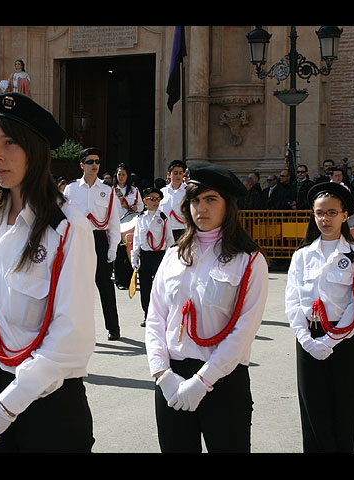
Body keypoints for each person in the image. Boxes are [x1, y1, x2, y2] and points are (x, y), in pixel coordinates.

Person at [0, 92, 96, 452]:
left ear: (35, 149)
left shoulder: (68, 227)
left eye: (10, 143)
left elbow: (70, 334)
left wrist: (5, 409)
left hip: (46, 403)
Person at [145, 162, 269, 453]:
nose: (201, 208)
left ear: (228, 206)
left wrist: (203, 381)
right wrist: (162, 374)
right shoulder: (174, 255)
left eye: (211, 199)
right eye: (195, 201)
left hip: (223, 379)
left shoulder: (248, 260)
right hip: (172, 379)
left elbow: (244, 330)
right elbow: (155, 319)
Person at [285, 181, 354, 453]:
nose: (325, 218)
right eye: (320, 213)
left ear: (345, 215)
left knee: (344, 408)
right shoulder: (302, 255)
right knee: (312, 411)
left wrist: (332, 340)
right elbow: (293, 301)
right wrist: (307, 340)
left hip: (343, 339)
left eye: (332, 212)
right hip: (309, 337)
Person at [64, 147, 121, 340]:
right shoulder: (71, 189)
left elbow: (113, 221)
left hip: (99, 239)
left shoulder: (107, 190)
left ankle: (113, 328)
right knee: (78, 287)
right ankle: (79, 329)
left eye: (97, 161)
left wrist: (113, 246)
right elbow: (64, 219)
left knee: (105, 285)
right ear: (82, 165)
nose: (94, 165)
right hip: (78, 240)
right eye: (90, 162)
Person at [130, 187, 174, 327]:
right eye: (152, 199)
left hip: (159, 255)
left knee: (160, 288)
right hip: (145, 255)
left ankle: (162, 316)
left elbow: (169, 239)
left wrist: (168, 258)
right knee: (145, 287)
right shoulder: (140, 218)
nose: (155, 202)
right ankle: (147, 315)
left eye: (158, 199)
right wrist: (134, 257)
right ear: (145, 201)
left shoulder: (163, 218)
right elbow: (137, 238)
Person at [113, 163, 143, 290]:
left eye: (123, 174)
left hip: (130, 225)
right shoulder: (111, 190)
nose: (121, 177)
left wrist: (136, 207)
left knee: (130, 252)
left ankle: (130, 279)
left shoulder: (134, 191)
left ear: (127, 176)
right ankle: (119, 280)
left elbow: (141, 205)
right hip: (116, 224)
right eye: (119, 174)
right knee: (119, 253)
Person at [159, 159, 187, 242]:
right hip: (165, 231)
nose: (178, 176)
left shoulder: (188, 191)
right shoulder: (162, 192)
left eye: (180, 173)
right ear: (169, 174)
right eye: (175, 173)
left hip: (183, 230)